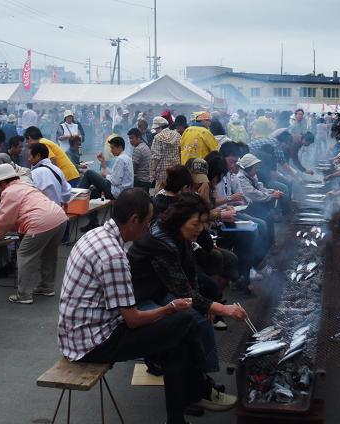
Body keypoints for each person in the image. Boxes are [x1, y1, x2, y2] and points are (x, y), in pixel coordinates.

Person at [58, 189, 236, 424]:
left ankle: (182, 410)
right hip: (93, 343)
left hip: (79, 333)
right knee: (185, 322)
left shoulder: (96, 235)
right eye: (147, 221)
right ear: (134, 220)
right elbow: (133, 320)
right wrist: (170, 308)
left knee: (178, 336)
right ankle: (197, 391)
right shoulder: (114, 256)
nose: (149, 227)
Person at [128, 193, 247, 372]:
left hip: (158, 291)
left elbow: (190, 275)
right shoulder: (161, 243)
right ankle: (166, 364)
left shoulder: (178, 235)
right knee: (189, 320)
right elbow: (182, 290)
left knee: (199, 318)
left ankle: (202, 375)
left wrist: (205, 307)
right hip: (139, 299)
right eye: (195, 224)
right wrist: (222, 309)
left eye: (203, 224)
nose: (200, 229)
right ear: (180, 220)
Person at [0, 163, 68, 303]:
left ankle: (24, 295)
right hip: (59, 218)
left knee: (24, 256)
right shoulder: (26, 185)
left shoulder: (9, 191)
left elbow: (5, 219)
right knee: (49, 254)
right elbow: (17, 216)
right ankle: (47, 287)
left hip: (41, 222)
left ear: (2, 182)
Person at [78, 136, 134, 200]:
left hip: (116, 192)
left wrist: (106, 175)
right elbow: (114, 175)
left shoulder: (121, 159)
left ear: (120, 147)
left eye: (112, 148)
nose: (111, 151)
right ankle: (81, 202)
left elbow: (115, 181)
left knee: (89, 173)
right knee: (93, 191)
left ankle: (77, 197)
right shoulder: (127, 158)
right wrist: (103, 162)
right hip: (122, 191)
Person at [150, 115, 182, 190]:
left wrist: (153, 170)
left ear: (159, 127)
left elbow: (156, 156)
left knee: (160, 191)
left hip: (162, 171)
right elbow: (180, 151)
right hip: (176, 169)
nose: (155, 131)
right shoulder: (177, 135)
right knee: (174, 190)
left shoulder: (158, 137)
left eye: (155, 129)